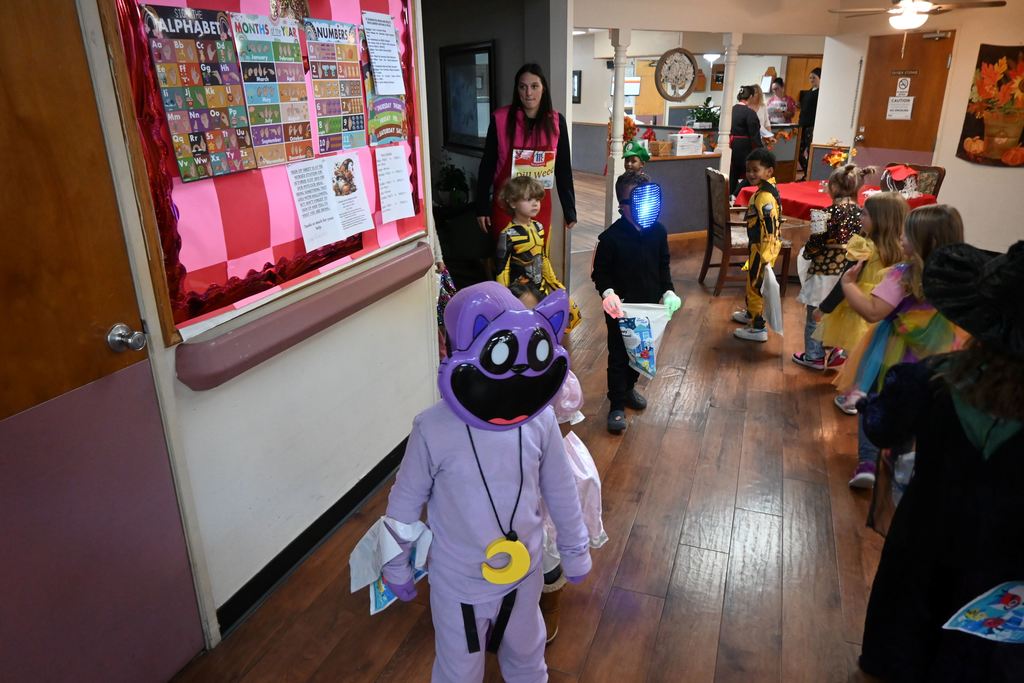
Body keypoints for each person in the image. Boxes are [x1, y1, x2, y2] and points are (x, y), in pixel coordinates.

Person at [381, 282, 591, 682]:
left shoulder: (540, 421)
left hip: (524, 573)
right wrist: (395, 563)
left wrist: (575, 546)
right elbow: (404, 502)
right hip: (459, 582)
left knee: (528, 656)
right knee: (458, 669)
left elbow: (560, 487)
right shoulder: (432, 429)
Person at [856, 240, 1024, 683]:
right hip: (1006, 571)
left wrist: (870, 404)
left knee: (904, 639)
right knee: (980, 659)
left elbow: (881, 427)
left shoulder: (930, 380)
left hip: (924, 538)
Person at [835, 205, 969, 488]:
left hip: (891, 353)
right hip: (935, 357)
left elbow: (873, 311)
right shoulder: (958, 278)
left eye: (906, 233)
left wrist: (848, 286)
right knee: (914, 404)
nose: (900, 237)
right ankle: (901, 460)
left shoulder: (900, 275)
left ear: (923, 241)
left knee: (875, 398)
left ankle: (867, 462)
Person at [592, 172, 680, 433]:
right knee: (619, 355)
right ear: (622, 205)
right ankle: (616, 404)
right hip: (621, 309)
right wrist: (608, 294)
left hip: (649, 308)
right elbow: (600, 273)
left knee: (640, 354)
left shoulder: (659, 232)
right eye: (637, 200)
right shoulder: (610, 239)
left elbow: (663, 268)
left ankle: (629, 388)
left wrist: (668, 292)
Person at [817, 192, 908, 414]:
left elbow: (845, 281)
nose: (860, 217)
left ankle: (852, 397)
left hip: (859, 306)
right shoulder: (900, 249)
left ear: (880, 219)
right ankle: (862, 391)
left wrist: (824, 308)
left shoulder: (863, 246)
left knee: (855, 353)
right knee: (870, 353)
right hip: (884, 307)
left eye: (864, 213)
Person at [476, 63, 576, 243]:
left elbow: (562, 169)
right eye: (523, 87)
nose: (528, 93)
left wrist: (570, 210)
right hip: (506, 206)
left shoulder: (556, 122)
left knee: (535, 262)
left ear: (543, 88)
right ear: (517, 90)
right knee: (506, 261)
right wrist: (482, 206)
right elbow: (487, 165)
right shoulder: (500, 119)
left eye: (534, 86)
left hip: (539, 207)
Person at [793, 164, 873, 370]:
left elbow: (815, 245)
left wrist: (806, 254)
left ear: (833, 188)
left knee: (815, 314)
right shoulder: (864, 215)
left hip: (824, 270)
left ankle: (814, 356)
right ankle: (837, 350)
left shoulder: (822, 214)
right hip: (852, 271)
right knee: (840, 312)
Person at [495, 176, 581, 332]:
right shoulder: (508, 234)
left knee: (564, 315)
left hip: (539, 284)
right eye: (528, 199)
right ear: (513, 203)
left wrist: (554, 283)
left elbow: (543, 258)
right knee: (530, 325)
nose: (535, 203)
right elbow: (502, 269)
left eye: (537, 199)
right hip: (519, 287)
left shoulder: (539, 227)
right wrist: (504, 298)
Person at [731, 148, 783, 343]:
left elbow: (770, 229)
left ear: (769, 172)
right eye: (749, 170)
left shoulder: (765, 197)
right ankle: (751, 314)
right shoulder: (764, 191)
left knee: (756, 286)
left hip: (762, 249)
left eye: (756, 170)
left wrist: (765, 256)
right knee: (752, 281)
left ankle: (757, 326)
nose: (751, 174)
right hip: (756, 247)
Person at [728, 85, 764, 196]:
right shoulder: (750, 113)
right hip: (744, 147)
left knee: (733, 173)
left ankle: (729, 196)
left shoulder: (730, 110)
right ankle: (735, 195)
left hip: (732, 144)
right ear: (751, 96)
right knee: (750, 174)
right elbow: (754, 135)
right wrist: (761, 150)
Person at [798, 68, 821, 175]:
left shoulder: (820, 93)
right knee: (798, 151)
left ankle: (808, 174)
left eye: (814, 78)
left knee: (809, 151)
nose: (811, 80)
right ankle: (806, 172)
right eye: (810, 78)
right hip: (802, 125)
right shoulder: (807, 92)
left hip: (811, 125)